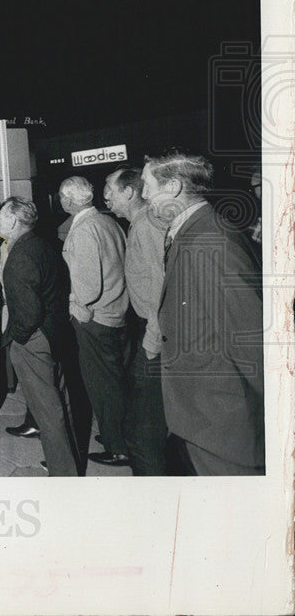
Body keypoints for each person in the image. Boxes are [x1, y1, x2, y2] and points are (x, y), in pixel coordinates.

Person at [142, 151, 264, 475]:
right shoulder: (190, 230)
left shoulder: (211, 241)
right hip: (203, 416)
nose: (142, 195)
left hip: (223, 424)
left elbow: (254, 342)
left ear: (174, 186)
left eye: (147, 185)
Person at [0, 197, 80, 476]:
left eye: (1, 217)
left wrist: (18, 339)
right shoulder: (42, 244)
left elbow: (28, 313)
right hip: (55, 333)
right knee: (60, 405)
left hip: (34, 339)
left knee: (47, 411)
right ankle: (69, 460)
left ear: (14, 221)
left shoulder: (20, 255)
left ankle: (63, 473)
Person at [59, 175, 131, 467]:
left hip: (96, 319)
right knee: (114, 380)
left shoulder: (86, 229)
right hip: (116, 313)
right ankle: (117, 434)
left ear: (69, 200)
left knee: (103, 387)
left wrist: (73, 303)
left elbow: (87, 288)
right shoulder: (107, 222)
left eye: (62, 197)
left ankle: (119, 447)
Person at [103, 167, 169, 475]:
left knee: (143, 434)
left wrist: (152, 341)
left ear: (129, 192)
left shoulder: (145, 226)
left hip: (155, 333)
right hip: (147, 328)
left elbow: (162, 285)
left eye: (109, 190)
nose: (105, 196)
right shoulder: (135, 225)